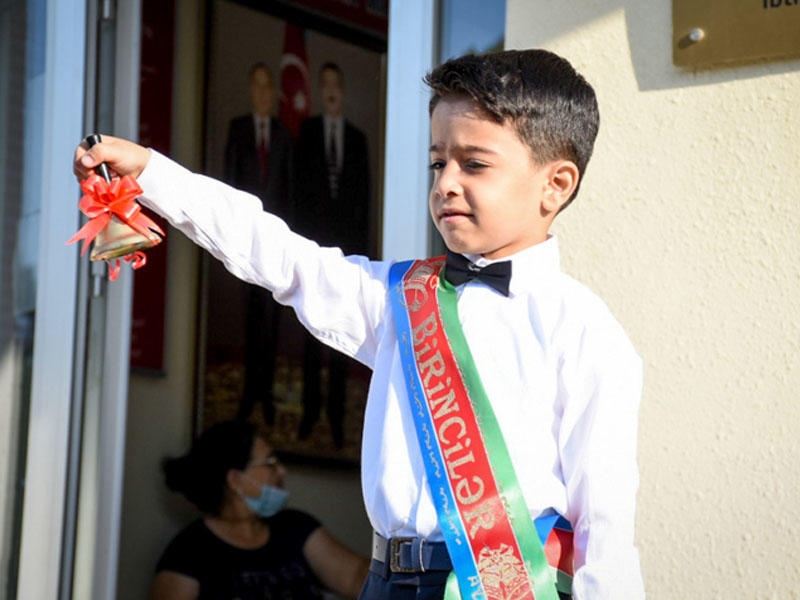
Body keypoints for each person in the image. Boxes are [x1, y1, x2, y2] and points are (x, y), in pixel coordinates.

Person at [76, 49, 645, 599]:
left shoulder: (587, 333)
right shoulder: (399, 299)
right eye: (437, 161)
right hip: (387, 582)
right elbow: (278, 253)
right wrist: (154, 175)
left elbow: (605, 522)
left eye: (474, 163)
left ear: (557, 184)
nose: (446, 182)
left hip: (506, 588)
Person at [146, 420, 369, 600]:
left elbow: (356, 579)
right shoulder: (189, 550)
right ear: (236, 480)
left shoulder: (296, 528)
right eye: (270, 462)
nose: (282, 471)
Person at [293, 62, 372, 447]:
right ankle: (310, 414)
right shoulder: (307, 132)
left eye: (335, 85)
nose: (330, 92)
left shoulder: (357, 139)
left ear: (343, 90)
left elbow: (365, 200)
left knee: (342, 338)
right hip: (313, 248)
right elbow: (296, 192)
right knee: (312, 334)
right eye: (324, 86)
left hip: (349, 255)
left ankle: (338, 420)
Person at [222, 63, 294, 426]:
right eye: (258, 86)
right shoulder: (238, 130)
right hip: (242, 244)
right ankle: (250, 393)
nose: (263, 94)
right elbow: (226, 184)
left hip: (275, 246)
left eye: (269, 88)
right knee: (250, 322)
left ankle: (265, 394)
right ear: (251, 91)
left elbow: (290, 192)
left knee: (272, 321)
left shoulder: (283, 135)